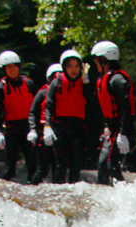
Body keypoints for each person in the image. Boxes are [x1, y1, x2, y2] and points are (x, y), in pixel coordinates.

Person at [90, 40, 135, 185]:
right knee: (103, 165)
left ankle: (126, 197)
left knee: (111, 166)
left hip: (122, 130)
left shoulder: (118, 80)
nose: (95, 64)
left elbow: (126, 108)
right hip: (113, 129)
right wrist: (107, 127)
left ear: (103, 59)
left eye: (97, 60)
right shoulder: (106, 78)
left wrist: (123, 133)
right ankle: (106, 197)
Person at [44, 49, 89, 184]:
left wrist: (87, 83)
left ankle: (74, 192)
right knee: (61, 165)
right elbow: (49, 106)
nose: (73, 70)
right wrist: (47, 125)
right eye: (69, 66)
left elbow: (93, 106)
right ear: (64, 67)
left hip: (77, 128)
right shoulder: (56, 82)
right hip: (60, 127)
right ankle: (59, 192)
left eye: (76, 66)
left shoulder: (84, 83)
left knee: (76, 164)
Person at [0, 50, 36, 182]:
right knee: (10, 166)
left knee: (32, 164)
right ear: (4, 69)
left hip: (28, 127)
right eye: (9, 67)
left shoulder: (28, 83)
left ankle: (32, 189)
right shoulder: (1, 87)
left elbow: (37, 105)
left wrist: (36, 128)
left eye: (14, 66)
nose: (12, 70)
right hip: (12, 128)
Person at [27, 62, 61, 184]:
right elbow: (32, 112)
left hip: (57, 132)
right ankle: (32, 188)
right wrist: (33, 130)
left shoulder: (64, 93)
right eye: (54, 77)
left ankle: (58, 190)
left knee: (58, 167)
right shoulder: (42, 93)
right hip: (43, 133)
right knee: (43, 168)